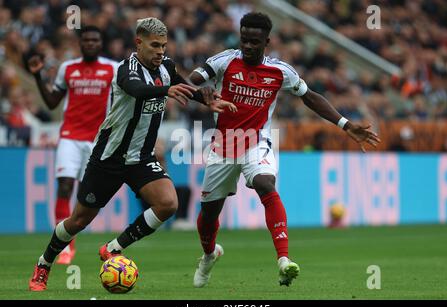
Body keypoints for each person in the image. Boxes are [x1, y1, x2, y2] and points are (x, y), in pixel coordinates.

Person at [28, 17, 236, 292]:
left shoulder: (167, 66)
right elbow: (136, 90)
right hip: (109, 157)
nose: (160, 51)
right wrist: (166, 90)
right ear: (139, 42)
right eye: (154, 45)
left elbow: (184, 87)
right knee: (78, 220)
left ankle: (113, 248)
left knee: (167, 204)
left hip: (141, 157)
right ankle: (44, 264)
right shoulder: (126, 69)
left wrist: (207, 99)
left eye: (163, 45)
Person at [188, 12, 381, 287]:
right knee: (208, 214)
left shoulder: (280, 71)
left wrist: (346, 124)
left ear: (267, 41)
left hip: (257, 141)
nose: (248, 46)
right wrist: (200, 92)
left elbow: (310, 97)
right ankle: (209, 255)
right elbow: (193, 77)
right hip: (224, 145)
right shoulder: (225, 60)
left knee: (265, 184)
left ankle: (283, 261)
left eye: (254, 41)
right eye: (244, 40)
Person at [27, 26, 118, 264]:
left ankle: (70, 234)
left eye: (94, 40)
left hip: (99, 140)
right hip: (70, 136)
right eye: (86, 40)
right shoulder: (68, 69)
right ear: (80, 43)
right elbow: (51, 102)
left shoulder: (113, 69)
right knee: (65, 186)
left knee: (86, 194)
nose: (90, 43)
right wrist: (37, 76)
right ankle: (66, 247)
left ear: (101, 43)